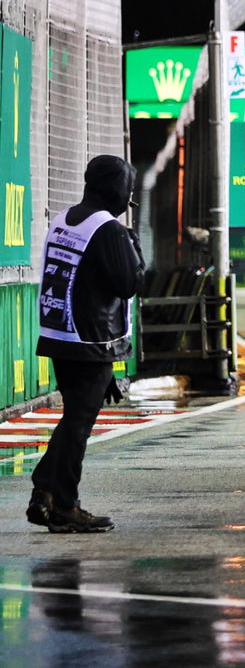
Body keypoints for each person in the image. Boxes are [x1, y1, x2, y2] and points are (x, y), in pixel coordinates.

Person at [27, 156, 145, 535]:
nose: (129, 200)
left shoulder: (64, 219)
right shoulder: (108, 229)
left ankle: (45, 492)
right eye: (128, 190)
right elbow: (128, 283)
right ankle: (63, 505)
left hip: (61, 335)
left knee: (73, 418)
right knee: (78, 425)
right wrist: (134, 248)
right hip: (91, 338)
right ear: (118, 189)